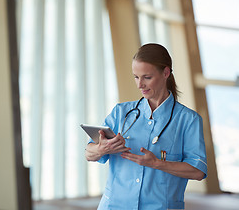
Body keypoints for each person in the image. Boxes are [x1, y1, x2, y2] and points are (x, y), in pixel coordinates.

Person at [85, 43, 207, 210]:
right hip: (114, 206)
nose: (139, 84)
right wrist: (101, 149)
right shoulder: (121, 112)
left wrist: (158, 163)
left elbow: (197, 171)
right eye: (136, 77)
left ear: (166, 72)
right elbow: (88, 153)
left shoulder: (188, 120)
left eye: (147, 77)